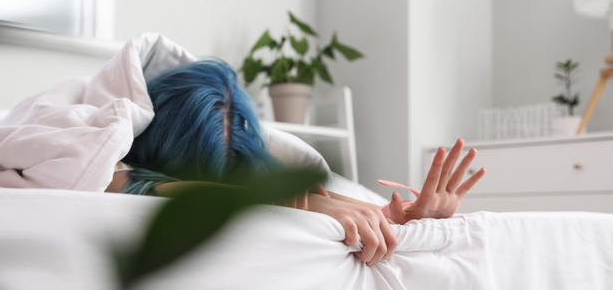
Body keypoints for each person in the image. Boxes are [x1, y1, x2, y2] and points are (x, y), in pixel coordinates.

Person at [105, 60, 486, 267]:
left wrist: (400, 214)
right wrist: (299, 201)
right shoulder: (100, 138)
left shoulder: (249, 147)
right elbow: (118, 180)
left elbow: (316, 194)